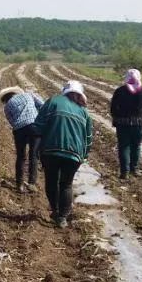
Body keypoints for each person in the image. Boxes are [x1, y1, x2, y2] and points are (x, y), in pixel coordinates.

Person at [35, 81, 93, 228]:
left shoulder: (53, 101)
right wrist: (84, 155)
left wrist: (36, 144)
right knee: (66, 184)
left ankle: (55, 211)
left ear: (65, 92)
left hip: (51, 150)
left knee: (51, 182)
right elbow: (88, 139)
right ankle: (62, 218)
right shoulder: (84, 113)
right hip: (74, 154)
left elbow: (39, 125)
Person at [109, 69, 142, 179]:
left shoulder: (120, 90)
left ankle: (124, 172)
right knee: (136, 146)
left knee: (124, 147)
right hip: (139, 124)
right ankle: (134, 169)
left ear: (127, 77)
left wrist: (117, 117)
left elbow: (113, 107)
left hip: (123, 124)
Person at [0, 86, 44, 193]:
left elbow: (12, 122)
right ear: (15, 93)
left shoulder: (6, 107)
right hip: (34, 126)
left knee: (21, 156)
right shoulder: (29, 95)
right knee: (33, 155)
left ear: (5, 99)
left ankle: (19, 184)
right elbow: (42, 106)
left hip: (19, 130)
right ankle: (31, 183)